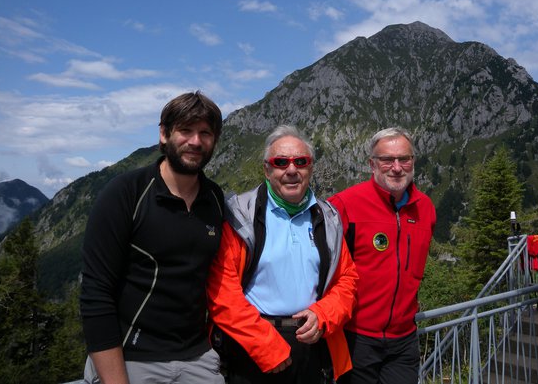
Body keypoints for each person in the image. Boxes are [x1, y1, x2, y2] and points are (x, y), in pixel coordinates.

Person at [79, 91, 225, 384]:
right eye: (185, 130)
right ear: (164, 134)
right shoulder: (125, 193)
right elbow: (95, 293)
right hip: (131, 359)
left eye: (205, 133)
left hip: (197, 358)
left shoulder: (215, 199)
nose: (195, 141)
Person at [206, 125, 359, 384]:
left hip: (312, 345)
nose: (291, 170)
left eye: (301, 161)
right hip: (252, 347)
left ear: (310, 168)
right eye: (281, 162)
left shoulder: (328, 218)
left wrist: (324, 316)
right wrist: (265, 346)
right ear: (267, 169)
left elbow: (347, 280)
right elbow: (222, 291)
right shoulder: (239, 215)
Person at [328, 127, 436, 384]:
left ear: (413, 162)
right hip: (357, 338)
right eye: (387, 160)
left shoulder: (426, 209)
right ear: (372, 165)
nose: (397, 167)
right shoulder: (344, 204)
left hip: (404, 340)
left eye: (404, 159)